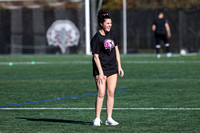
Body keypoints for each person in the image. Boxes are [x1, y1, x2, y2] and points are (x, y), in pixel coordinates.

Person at [90, 9, 124, 126]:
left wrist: (119, 66)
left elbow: (116, 50)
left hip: (112, 68)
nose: (110, 25)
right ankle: (97, 118)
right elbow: (95, 57)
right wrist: (100, 72)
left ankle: (109, 118)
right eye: (107, 23)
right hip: (101, 68)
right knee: (101, 93)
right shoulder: (96, 38)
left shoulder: (113, 34)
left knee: (111, 93)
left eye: (110, 23)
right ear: (101, 24)